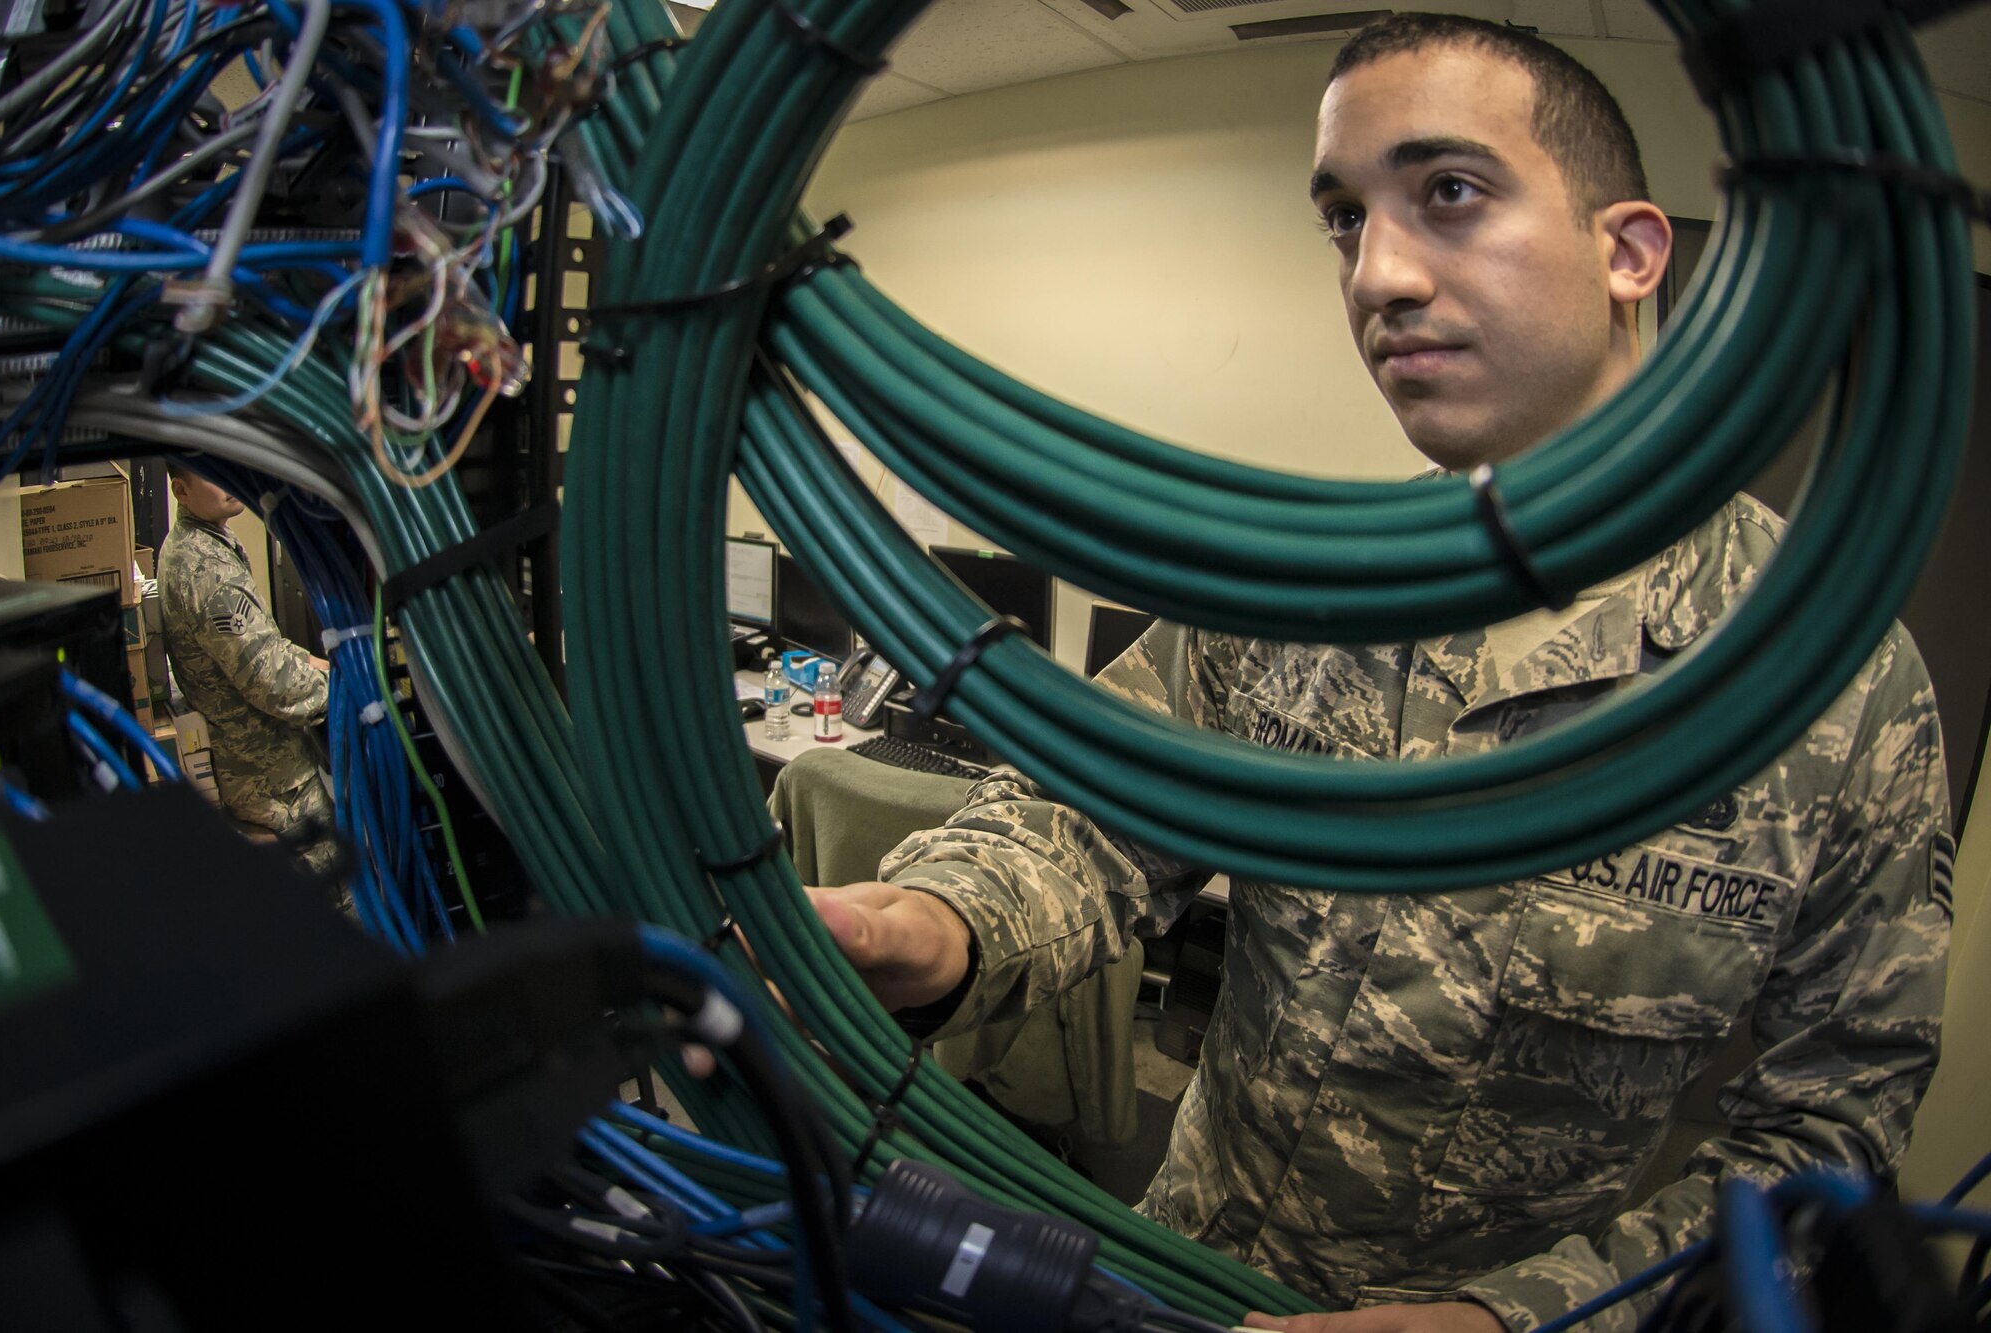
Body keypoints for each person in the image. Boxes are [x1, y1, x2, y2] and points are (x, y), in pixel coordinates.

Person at [805, 15, 1952, 1333]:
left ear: (1629, 251)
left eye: (1450, 193)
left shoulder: (1838, 688)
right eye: (1345, 219)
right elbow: (1097, 813)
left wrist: (1506, 1321)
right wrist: (939, 922)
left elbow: (1825, 1134)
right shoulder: (1311, 581)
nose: (1379, 275)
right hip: (1185, 1279)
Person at [158, 461, 336, 874]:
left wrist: (318, 662)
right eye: (209, 473)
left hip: (257, 763)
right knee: (332, 898)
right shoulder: (206, 571)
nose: (225, 479)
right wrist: (354, 689)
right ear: (180, 491)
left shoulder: (198, 541)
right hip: (270, 776)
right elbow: (275, 684)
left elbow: (264, 645)